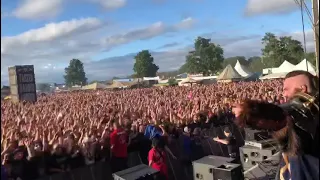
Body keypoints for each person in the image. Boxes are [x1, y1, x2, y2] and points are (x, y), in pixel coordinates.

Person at [233, 70, 319, 180]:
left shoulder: (307, 114)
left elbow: (286, 112)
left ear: (303, 90)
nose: (284, 94)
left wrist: (252, 112)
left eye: (286, 89)